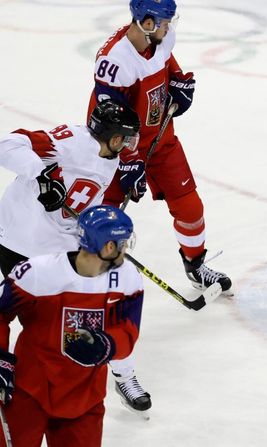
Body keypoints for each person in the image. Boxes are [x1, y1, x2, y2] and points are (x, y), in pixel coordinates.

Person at [0, 101, 152, 416]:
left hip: (60, 244)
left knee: (98, 310)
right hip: (18, 240)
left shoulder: (110, 157)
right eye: (123, 139)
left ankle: (123, 374)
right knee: (33, 318)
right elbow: (7, 145)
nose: (127, 146)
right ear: (109, 135)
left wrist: (128, 179)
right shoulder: (71, 140)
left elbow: (88, 197)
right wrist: (41, 176)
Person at [87, 0, 231, 294]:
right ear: (147, 23)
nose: (170, 27)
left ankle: (195, 265)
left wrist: (178, 80)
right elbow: (111, 119)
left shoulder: (159, 37)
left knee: (190, 207)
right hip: (114, 147)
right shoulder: (115, 61)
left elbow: (165, 57)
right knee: (104, 216)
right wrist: (127, 159)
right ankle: (88, 281)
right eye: (165, 22)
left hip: (161, 139)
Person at [0, 205, 143, 447]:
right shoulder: (39, 272)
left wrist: (105, 346)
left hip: (85, 400)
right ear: (108, 246)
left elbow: (128, 329)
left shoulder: (128, 278)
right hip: (28, 392)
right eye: (122, 243)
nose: (125, 248)